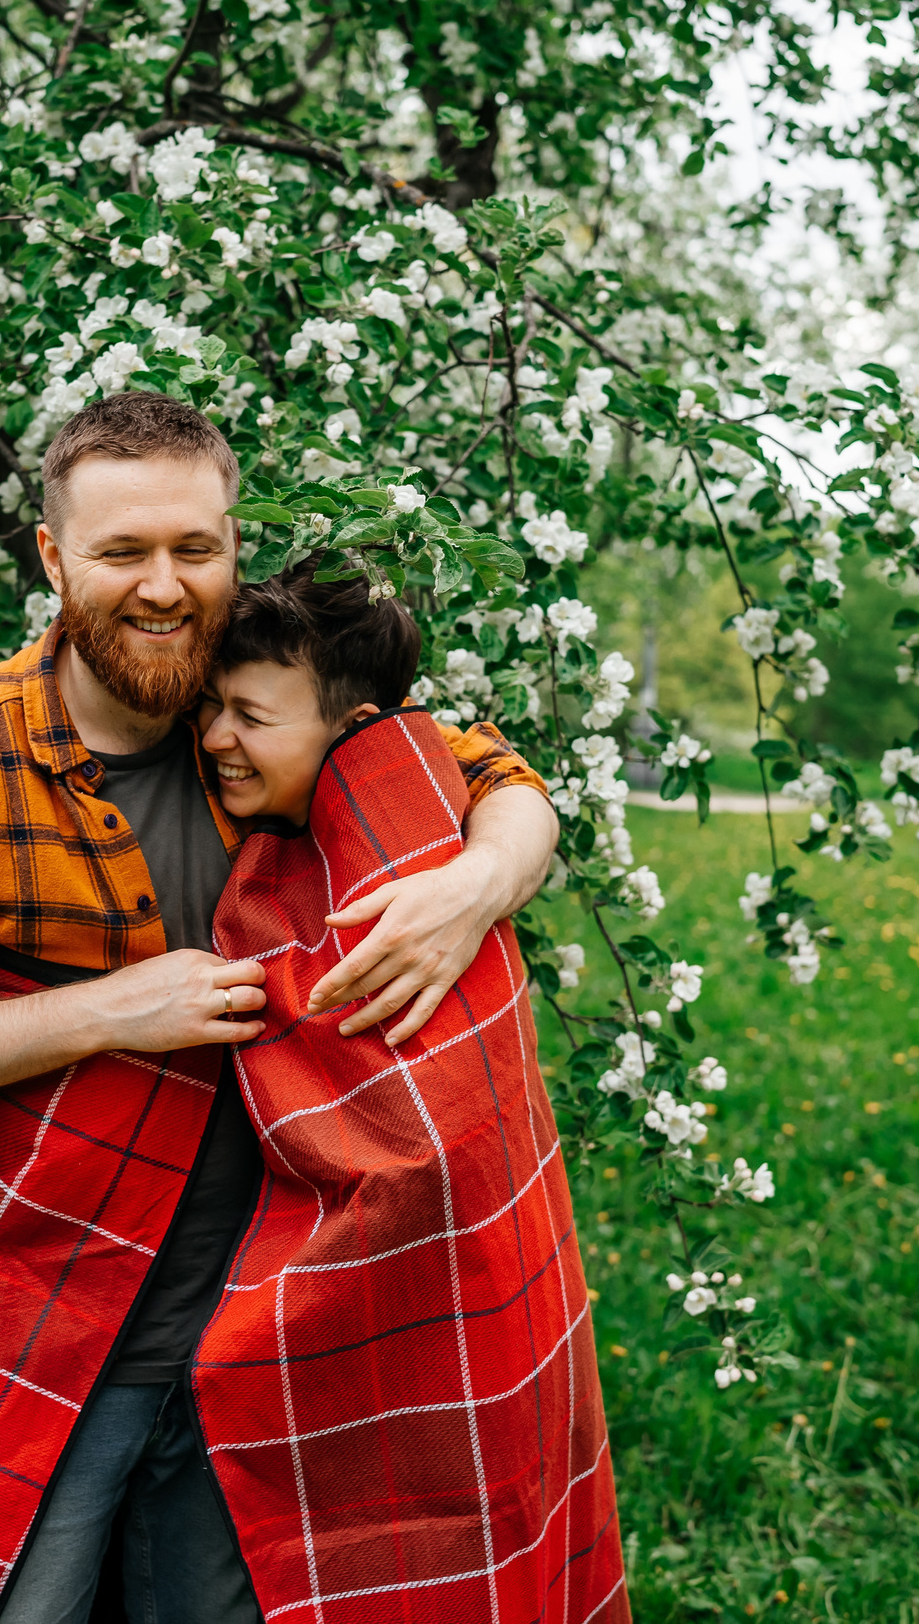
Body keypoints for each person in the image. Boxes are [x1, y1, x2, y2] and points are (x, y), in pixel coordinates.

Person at [0, 392, 563, 1624]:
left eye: (193, 551)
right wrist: (108, 1012)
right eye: (121, 553)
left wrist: (478, 884)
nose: (163, 588)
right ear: (54, 559)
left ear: (228, 551)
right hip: (55, 1329)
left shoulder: (273, 712)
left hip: (263, 1334)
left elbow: (490, 774)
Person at [189, 564, 627, 1624]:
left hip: (480, 1283)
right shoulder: (200, 786)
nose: (213, 737)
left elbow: (500, 774)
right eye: (211, 705)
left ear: (356, 729)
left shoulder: (421, 815)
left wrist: (478, 881)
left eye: (249, 715)